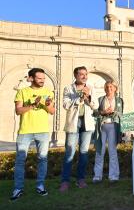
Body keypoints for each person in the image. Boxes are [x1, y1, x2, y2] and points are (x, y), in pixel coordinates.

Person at [11, 68, 55, 201]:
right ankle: (18, 189)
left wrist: (43, 104)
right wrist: (32, 105)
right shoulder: (22, 92)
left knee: (42, 159)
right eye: (39, 78)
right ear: (31, 78)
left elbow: (52, 110)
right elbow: (18, 111)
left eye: (43, 78)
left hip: (42, 131)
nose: (42, 80)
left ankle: (40, 186)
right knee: (20, 161)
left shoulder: (47, 92)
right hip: (25, 131)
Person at [60, 66, 98, 191]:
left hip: (87, 124)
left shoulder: (90, 88)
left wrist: (88, 98)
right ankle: (65, 181)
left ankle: (80, 179)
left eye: (85, 74)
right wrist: (79, 98)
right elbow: (66, 105)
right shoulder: (68, 88)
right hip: (73, 123)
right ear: (75, 75)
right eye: (81, 74)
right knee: (69, 153)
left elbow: (95, 106)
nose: (84, 76)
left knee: (84, 153)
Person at [93, 81, 124, 183]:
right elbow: (95, 113)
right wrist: (104, 112)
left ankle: (114, 176)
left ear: (115, 88)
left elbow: (121, 114)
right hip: (102, 126)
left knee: (112, 151)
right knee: (99, 151)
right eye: (107, 87)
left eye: (111, 87)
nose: (109, 89)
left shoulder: (119, 100)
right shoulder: (100, 99)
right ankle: (97, 176)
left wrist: (114, 112)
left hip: (113, 126)